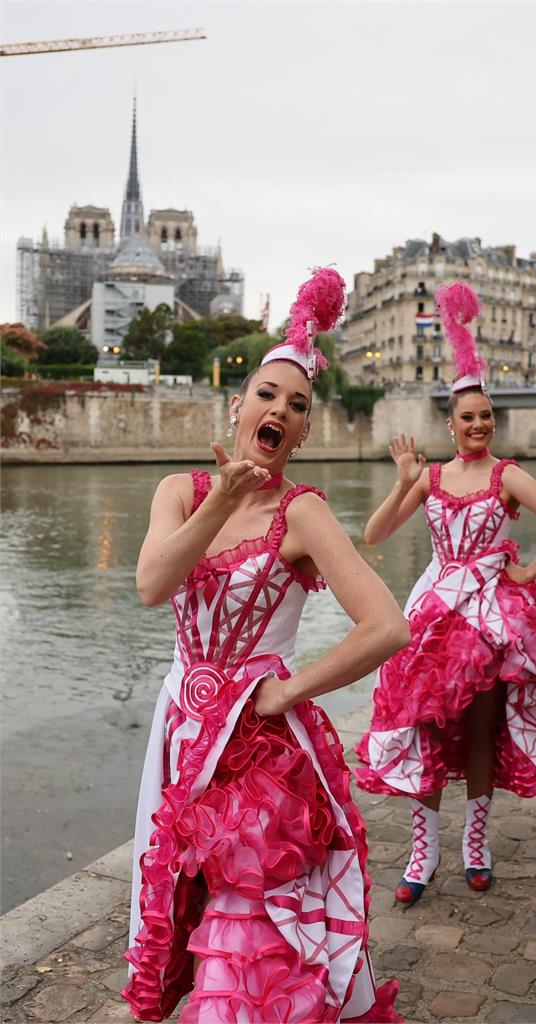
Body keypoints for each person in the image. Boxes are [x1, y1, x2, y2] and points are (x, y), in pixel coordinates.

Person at [122, 269, 406, 1023]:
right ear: (237, 405)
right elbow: (152, 584)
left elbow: (387, 625)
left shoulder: (303, 514)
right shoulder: (181, 493)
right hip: (182, 733)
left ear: (306, 431)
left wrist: (286, 690)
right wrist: (222, 493)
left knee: (246, 939)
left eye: (298, 405)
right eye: (267, 394)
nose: (280, 408)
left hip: (262, 752)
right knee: (188, 909)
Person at [355, 282, 536, 905]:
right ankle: (423, 852)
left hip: (489, 618)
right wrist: (403, 482)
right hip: (434, 612)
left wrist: (527, 573)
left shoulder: (508, 474)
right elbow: (375, 535)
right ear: (450, 424)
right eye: (469, 418)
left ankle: (475, 845)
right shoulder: (430, 477)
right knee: (424, 727)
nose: (480, 425)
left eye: (487, 416)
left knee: (482, 732)